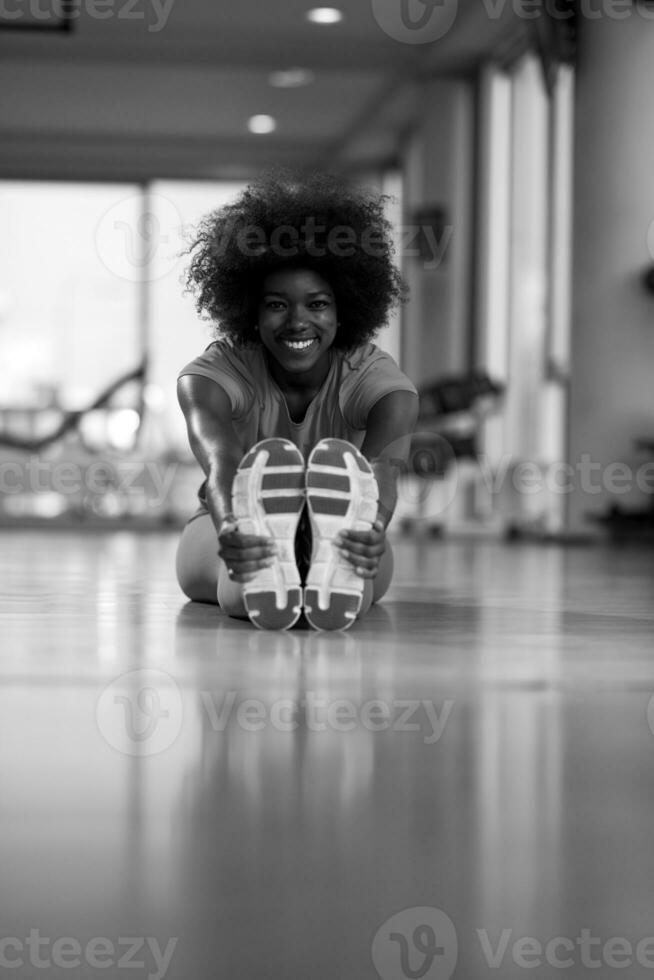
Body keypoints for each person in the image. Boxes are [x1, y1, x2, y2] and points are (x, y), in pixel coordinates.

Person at [175, 170, 419, 631]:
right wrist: (231, 527)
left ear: (345, 308)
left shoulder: (377, 381)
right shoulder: (212, 376)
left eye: (318, 304)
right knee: (237, 576)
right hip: (228, 519)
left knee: (349, 566)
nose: (298, 322)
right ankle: (267, 552)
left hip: (351, 528)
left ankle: (325, 557)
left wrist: (372, 528)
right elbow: (222, 464)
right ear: (251, 310)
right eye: (276, 304)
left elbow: (383, 471)